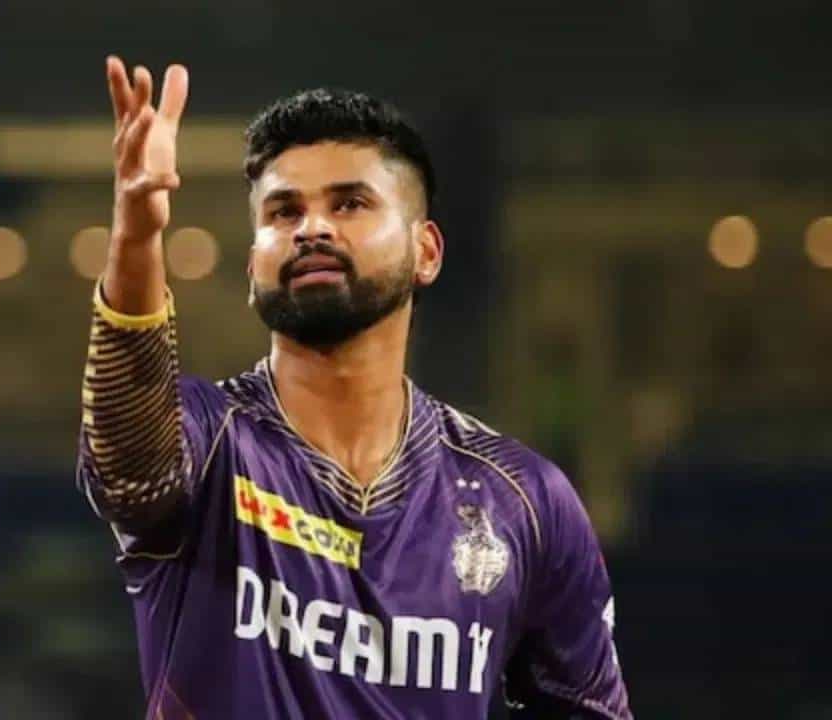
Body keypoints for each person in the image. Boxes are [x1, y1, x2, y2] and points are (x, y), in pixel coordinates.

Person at [76, 56, 632, 720]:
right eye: (283, 212)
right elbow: (127, 463)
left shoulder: (525, 500)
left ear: (427, 251)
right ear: (253, 266)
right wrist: (138, 235)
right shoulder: (210, 440)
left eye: (349, 203)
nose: (311, 227)